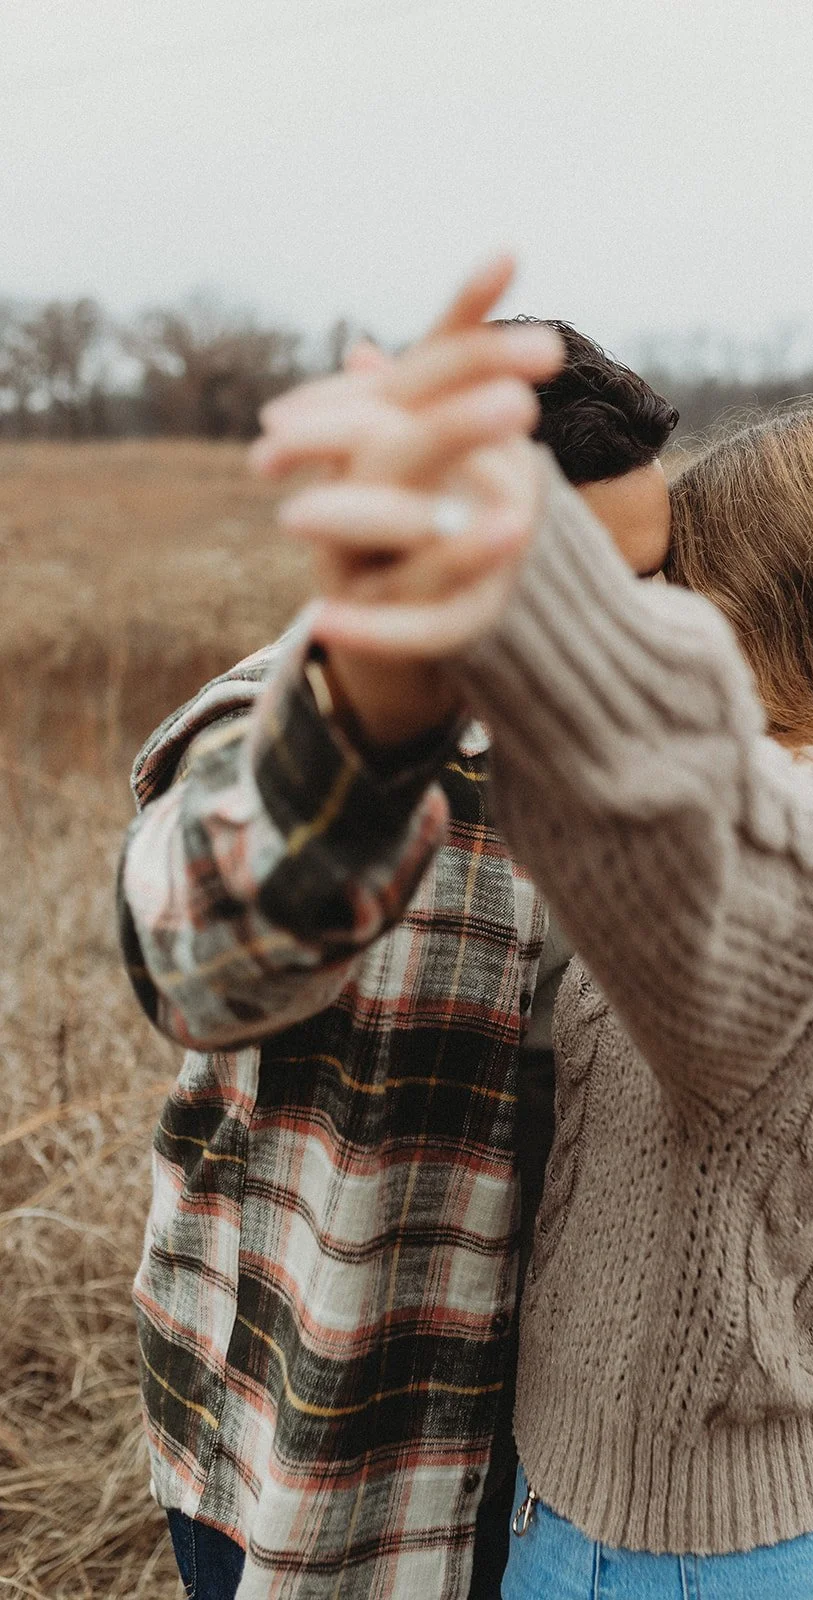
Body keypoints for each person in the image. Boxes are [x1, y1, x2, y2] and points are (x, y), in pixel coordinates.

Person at [243, 259, 813, 1599]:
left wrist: (511, 601)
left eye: (673, 586)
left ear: (769, 605)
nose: (655, 620)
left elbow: (703, 909)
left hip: (673, 1546)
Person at [118, 264, 677, 1600]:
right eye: (570, 595)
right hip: (319, 1459)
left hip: (569, 1474)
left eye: (655, 585)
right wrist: (368, 726)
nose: (632, 638)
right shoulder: (287, 727)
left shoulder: (677, 746)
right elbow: (204, 947)